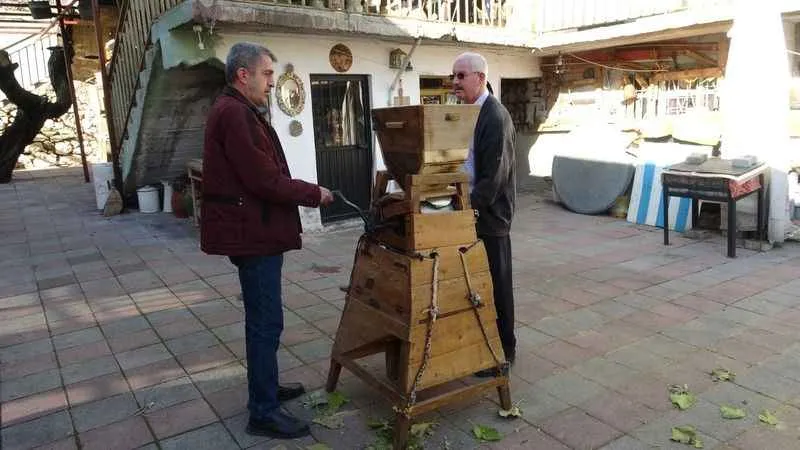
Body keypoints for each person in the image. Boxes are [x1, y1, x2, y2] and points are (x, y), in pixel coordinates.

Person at [201, 42, 334, 439]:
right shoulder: (234, 113)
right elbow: (264, 180)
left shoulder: (238, 110)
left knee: (263, 320)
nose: (272, 82)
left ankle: (267, 389)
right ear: (244, 75)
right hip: (253, 236)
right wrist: (314, 193)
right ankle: (263, 411)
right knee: (265, 323)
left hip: (255, 232)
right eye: (267, 74)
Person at [451, 52, 516, 377]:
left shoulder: (495, 115)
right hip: (473, 210)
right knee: (476, 284)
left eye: (461, 76)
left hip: (491, 216)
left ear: (480, 77)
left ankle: (504, 353)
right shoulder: (469, 112)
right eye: (453, 76)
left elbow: (494, 177)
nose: (455, 82)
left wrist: (468, 207)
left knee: (497, 285)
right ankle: (482, 345)